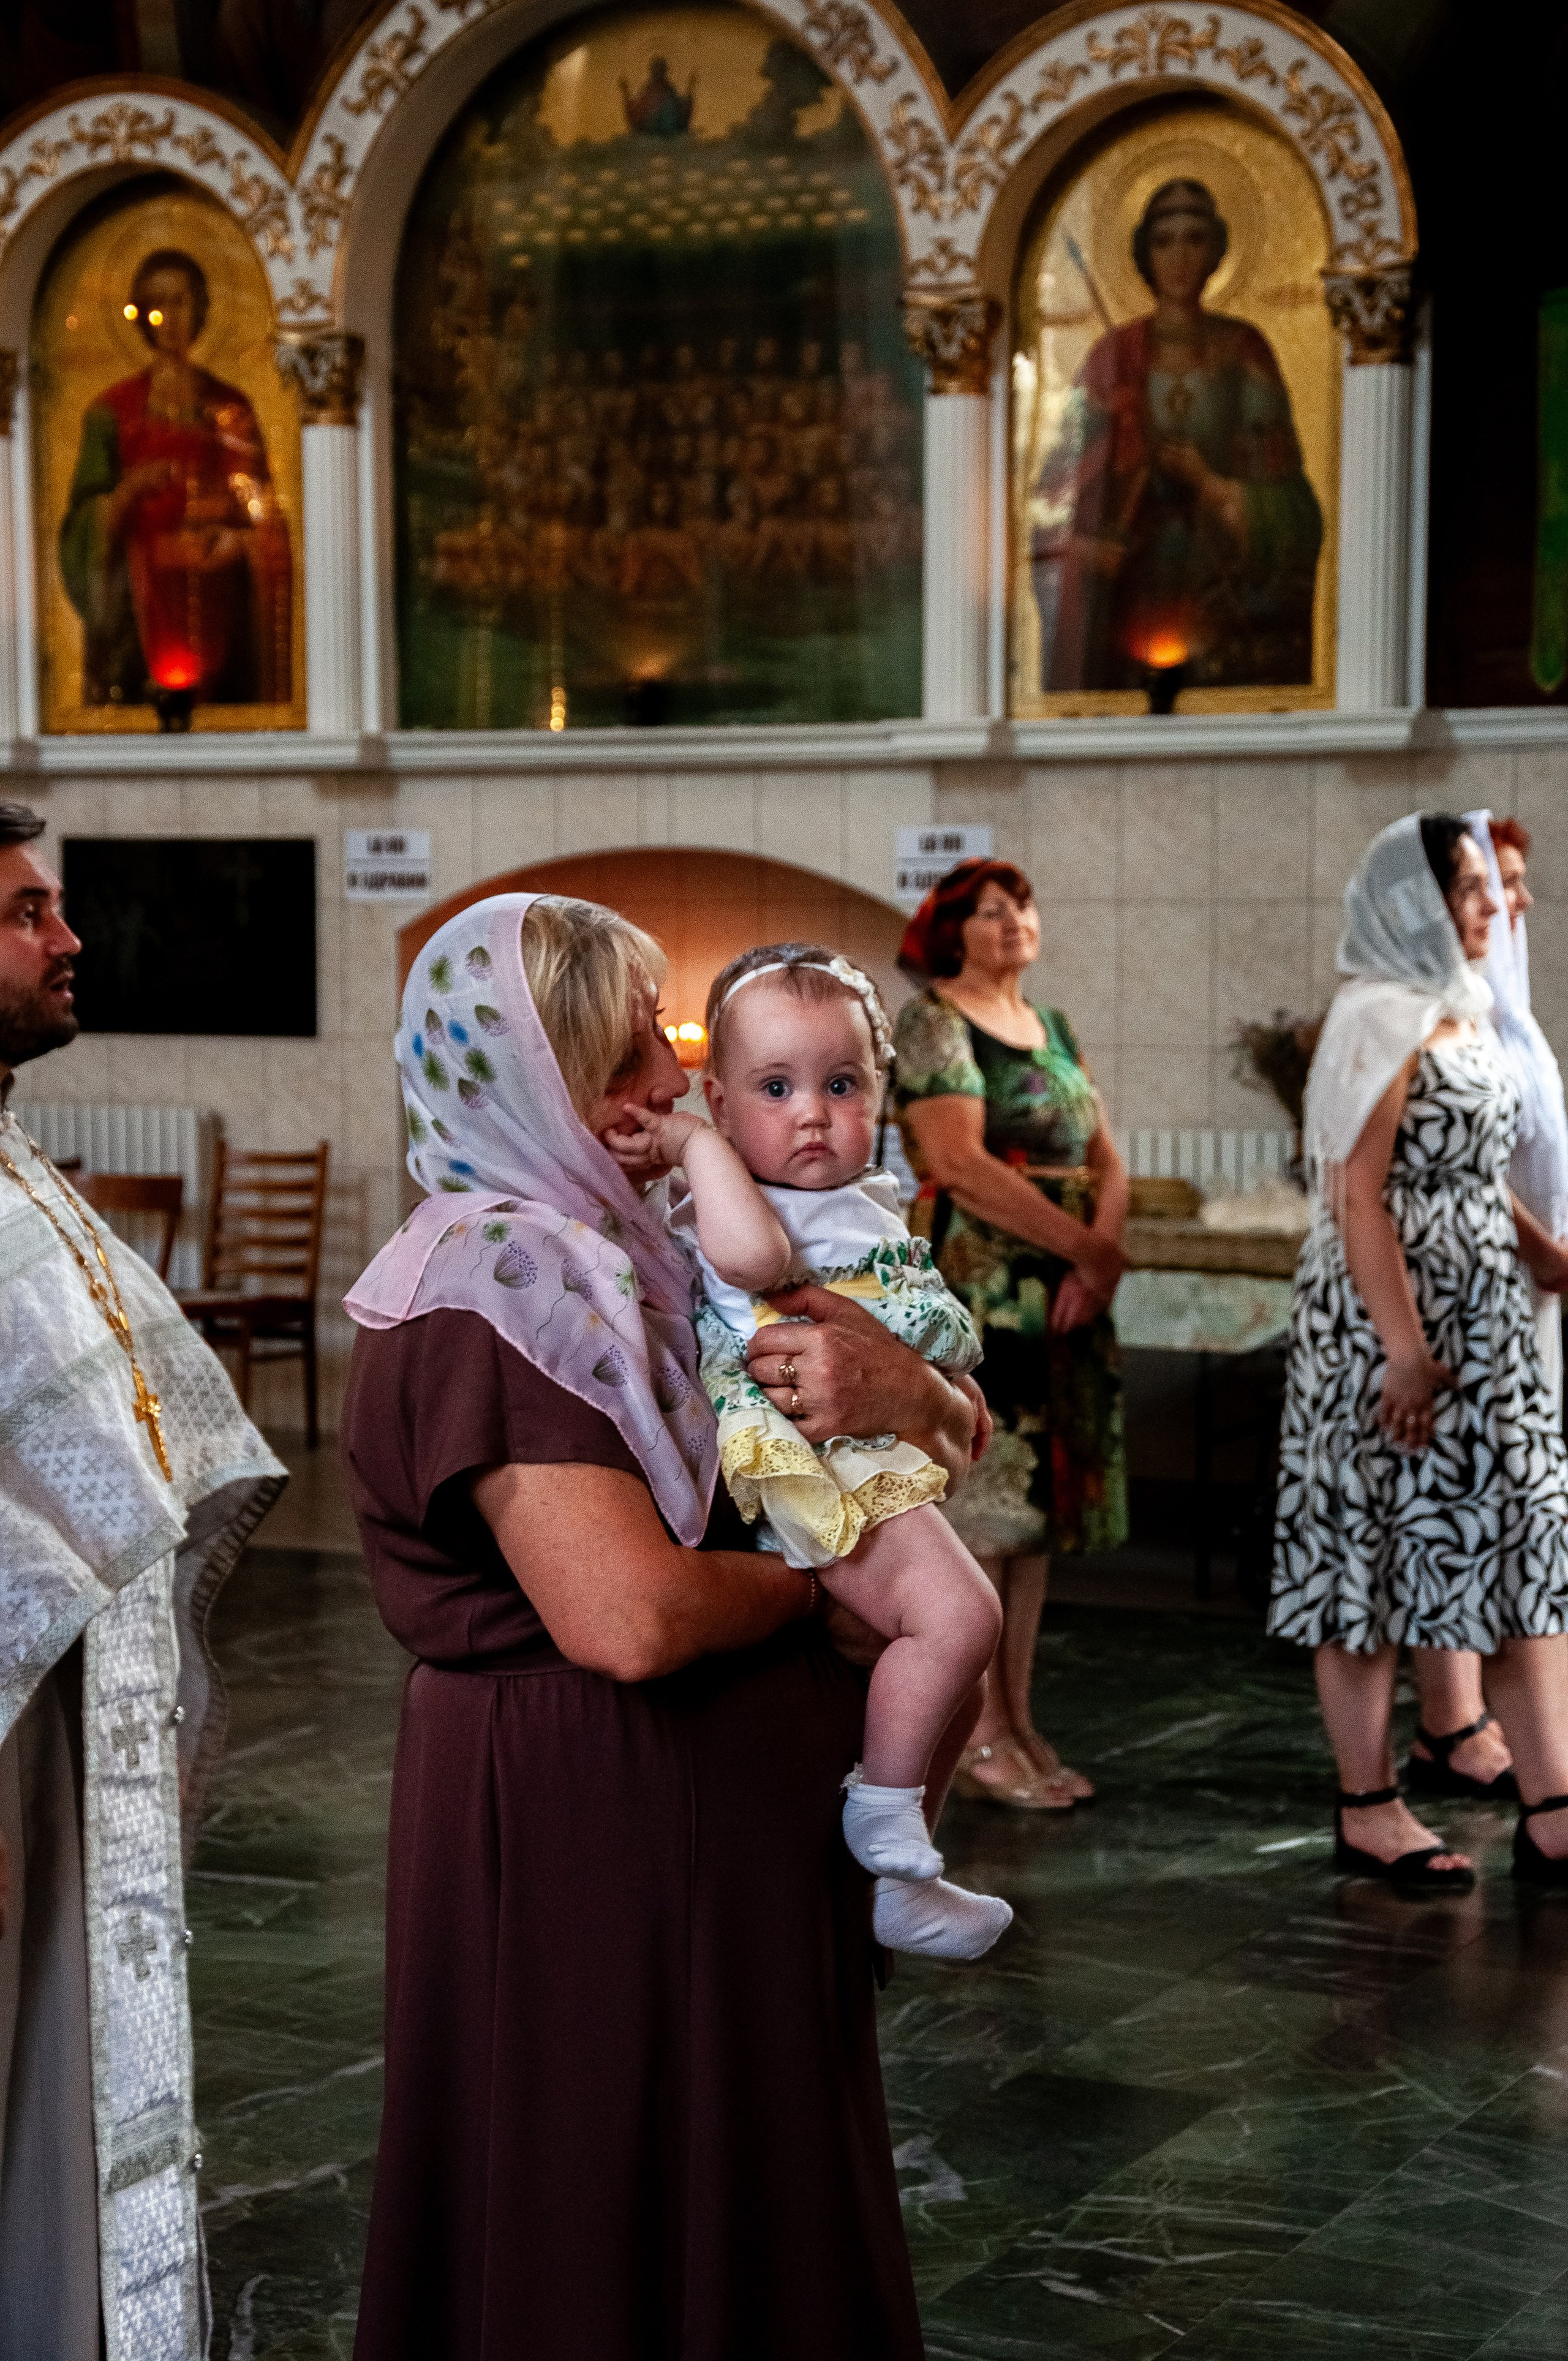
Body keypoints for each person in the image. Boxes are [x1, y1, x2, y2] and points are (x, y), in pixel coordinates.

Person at [342, 892, 984, 2360]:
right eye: (632, 1037)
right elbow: (628, 1615)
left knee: (743, 2192)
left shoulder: (651, 1240)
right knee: (602, 2190)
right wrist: (814, 1588)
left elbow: (927, 1429)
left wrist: (914, 1397)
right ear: (542, 1070)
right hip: (594, 1826)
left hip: (706, 1829)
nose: (672, 1069)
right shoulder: (496, 1284)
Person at [0, 801, 284, 2357]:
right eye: (27, 911)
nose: (68, 936)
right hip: (11, 1740)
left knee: (58, 2080)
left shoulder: (14, 1155)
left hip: (62, 1728)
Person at [620, 942, 1009, 1959]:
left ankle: (900, 1852)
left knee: (955, 1638)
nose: (811, 1114)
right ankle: (889, 1829)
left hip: (863, 1445)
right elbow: (754, 1264)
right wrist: (697, 1147)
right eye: (777, 1087)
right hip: (805, 1455)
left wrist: (937, 1383)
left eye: (842, 1086)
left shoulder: (859, 1193)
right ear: (716, 1097)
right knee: (963, 1618)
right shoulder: (733, 1192)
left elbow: (921, 1337)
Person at [1272, 813, 1568, 1890]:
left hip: (1487, 1315)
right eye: (1476, 891)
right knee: (1375, 1557)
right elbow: (1358, 1197)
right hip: (1384, 1324)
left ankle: (1552, 1805)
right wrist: (1402, 1350)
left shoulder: (1467, 1009)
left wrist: (1547, 1255)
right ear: (1417, 904)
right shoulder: (1378, 1015)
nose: (1498, 909)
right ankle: (1369, 1805)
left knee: (1525, 1541)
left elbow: (1479, 1169)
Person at [894, 858, 1128, 1810]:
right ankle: (977, 1731)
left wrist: (1099, 1254)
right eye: (990, 911)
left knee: (1033, 1528)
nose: (1012, 922)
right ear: (952, 931)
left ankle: (1018, 1715)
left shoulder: (1051, 1023)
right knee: (984, 1518)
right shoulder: (934, 1020)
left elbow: (1108, 1152)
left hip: (1068, 1284)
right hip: (989, 1292)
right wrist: (1084, 1249)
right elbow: (959, 1162)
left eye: (1022, 905)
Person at [1406, 811, 1568, 1803]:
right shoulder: (1432, 1004)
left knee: (1506, 1514)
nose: (1515, 900)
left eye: (1511, 882)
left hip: (1518, 1287)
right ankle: (1450, 1719)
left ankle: (1494, 1721)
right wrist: (1540, 1244)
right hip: (1469, 1285)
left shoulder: (1496, 996)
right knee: (1459, 1507)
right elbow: (1460, 1161)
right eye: (1496, 881)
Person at [1030, 178, 1322, 691]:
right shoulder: (1111, 358)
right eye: (1164, 242)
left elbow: (1294, 508)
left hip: (1219, 589)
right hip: (1131, 592)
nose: (1180, 257)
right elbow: (1056, 494)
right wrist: (1098, 528)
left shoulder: (1244, 353)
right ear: (1144, 253)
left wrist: (1208, 482)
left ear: (1216, 250)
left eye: (1194, 239)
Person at [60, 249, 292, 711]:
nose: (169, 318)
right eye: (157, 305)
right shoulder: (112, 411)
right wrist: (127, 492)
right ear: (142, 317)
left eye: (181, 302)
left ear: (202, 309)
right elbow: (82, 526)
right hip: (139, 605)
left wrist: (235, 540)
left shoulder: (231, 408)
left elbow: (263, 514)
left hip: (219, 600)